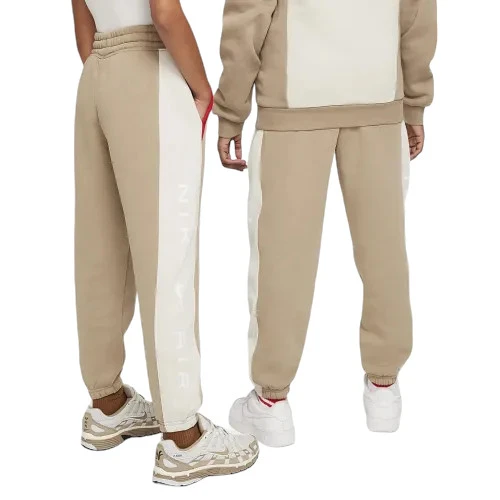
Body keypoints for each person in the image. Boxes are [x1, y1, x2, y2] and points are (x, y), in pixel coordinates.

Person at [214, 0, 437, 446]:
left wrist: (231, 110)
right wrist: (414, 103)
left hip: (294, 101)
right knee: (384, 253)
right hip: (378, 96)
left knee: (282, 258)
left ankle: (271, 402)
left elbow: (248, 15)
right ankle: (384, 388)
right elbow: (417, 14)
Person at [72, 0, 258, 485]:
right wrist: (202, 89)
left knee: (101, 248)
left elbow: (82, 21)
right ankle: (184, 437)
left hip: (96, 75)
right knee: (168, 253)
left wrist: (107, 71)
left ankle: (107, 404)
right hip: (149, 67)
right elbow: (164, 12)